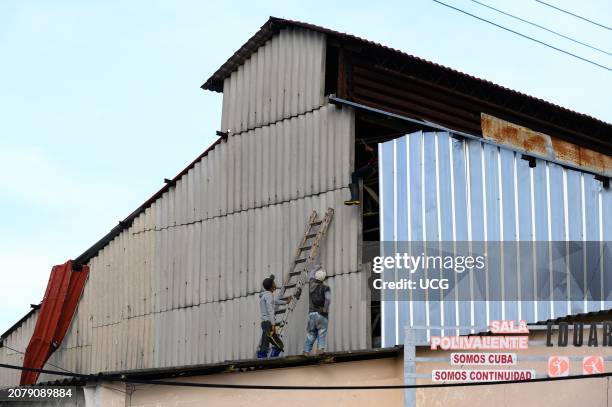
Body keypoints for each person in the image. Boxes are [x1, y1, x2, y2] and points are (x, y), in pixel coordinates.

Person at [257, 274, 291, 358]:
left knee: (268, 341)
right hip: (268, 323)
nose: (275, 284)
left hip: (265, 323)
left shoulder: (265, 295)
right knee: (269, 342)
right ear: (272, 285)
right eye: (274, 283)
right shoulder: (268, 295)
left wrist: (285, 302)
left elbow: (275, 301)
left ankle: (266, 356)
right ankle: (264, 357)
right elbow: (270, 310)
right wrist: (273, 324)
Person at [303, 265, 331, 356]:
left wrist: (316, 267)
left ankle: (306, 351)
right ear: (323, 279)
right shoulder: (326, 288)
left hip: (311, 314)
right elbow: (328, 299)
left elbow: (311, 274)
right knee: (321, 332)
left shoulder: (311, 285)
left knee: (311, 333)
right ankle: (320, 350)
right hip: (322, 314)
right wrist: (325, 310)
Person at [344, 139, 377, 205]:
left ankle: (355, 198)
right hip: (372, 169)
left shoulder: (379, 151)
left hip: (371, 168)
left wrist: (370, 149)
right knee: (359, 177)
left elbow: (376, 152)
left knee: (354, 175)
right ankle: (359, 200)